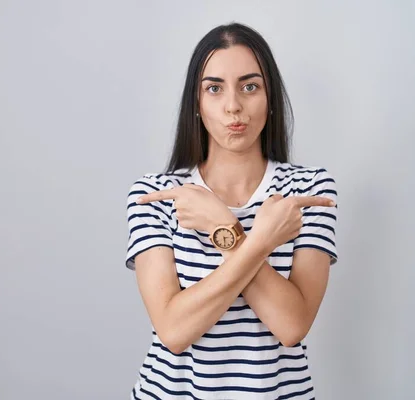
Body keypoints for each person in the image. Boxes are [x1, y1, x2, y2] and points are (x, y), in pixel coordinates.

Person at [125, 22, 338, 399]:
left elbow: (291, 325)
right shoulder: (156, 195)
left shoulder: (308, 191)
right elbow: (174, 331)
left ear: (270, 97)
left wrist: (224, 226)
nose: (233, 105)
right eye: (214, 88)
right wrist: (257, 239)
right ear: (197, 102)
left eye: (249, 86)